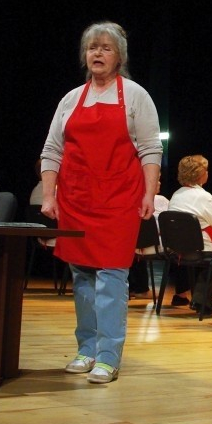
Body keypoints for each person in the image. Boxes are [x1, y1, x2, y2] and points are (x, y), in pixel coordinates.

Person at [40, 21, 162, 384]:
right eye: (92, 47)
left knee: (110, 277)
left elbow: (151, 148)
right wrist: (50, 194)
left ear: (119, 56)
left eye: (106, 48)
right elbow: (52, 149)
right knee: (81, 276)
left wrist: (149, 193)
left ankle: (108, 356)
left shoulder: (136, 96)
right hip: (76, 199)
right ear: (84, 55)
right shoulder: (71, 99)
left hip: (118, 200)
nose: (98, 53)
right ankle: (86, 349)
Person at [167, 155, 212, 316]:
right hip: (200, 249)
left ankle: (205, 298)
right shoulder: (203, 197)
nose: (208, 173)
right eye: (206, 170)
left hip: (179, 250)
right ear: (199, 174)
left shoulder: (176, 195)